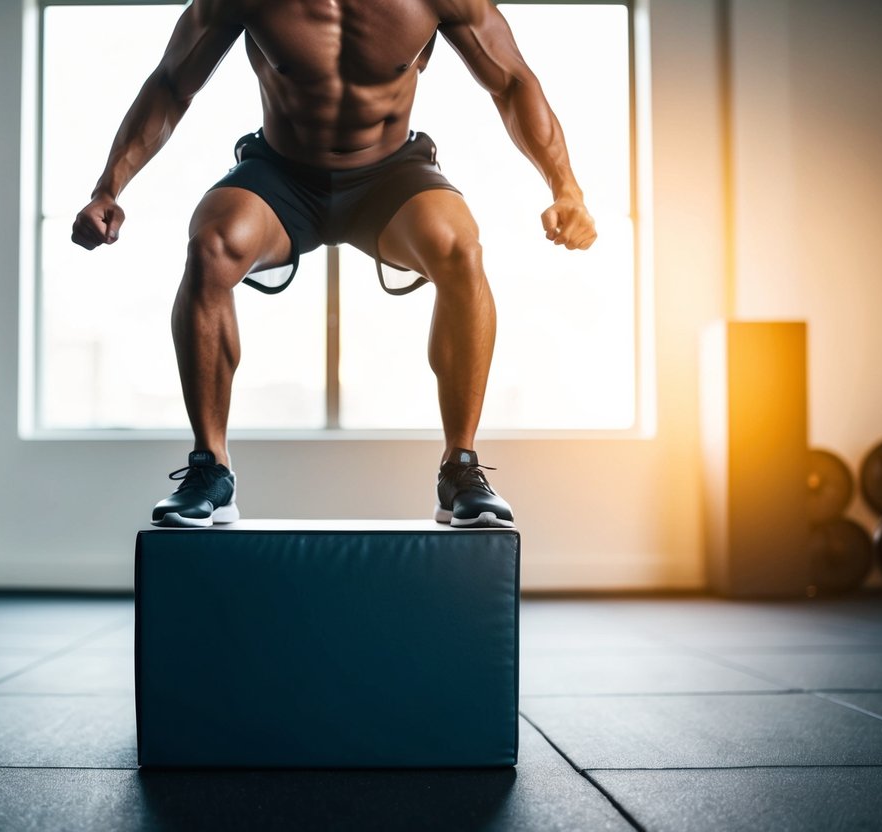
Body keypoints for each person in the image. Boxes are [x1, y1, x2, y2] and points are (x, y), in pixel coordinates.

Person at [71, 0, 597, 528]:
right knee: (211, 245)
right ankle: (211, 469)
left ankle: (459, 467)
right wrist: (108, 187)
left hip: (389, 177)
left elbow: (512, 83)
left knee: (461, 248)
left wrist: (566, 188)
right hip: (282, 176)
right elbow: (171, 84)